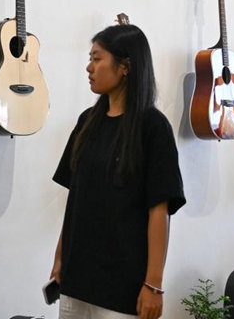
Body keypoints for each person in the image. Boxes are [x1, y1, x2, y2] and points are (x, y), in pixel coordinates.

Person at [50, 23, 186, 319]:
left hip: (123, 287)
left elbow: (159, 211)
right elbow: (76, 201)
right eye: (90, 58)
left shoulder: (153, 127)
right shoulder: (87, 121)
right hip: (76, 280)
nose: (89, 67)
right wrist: (60, 259)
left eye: (97, 59)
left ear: (125, 67)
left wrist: (154, 284)